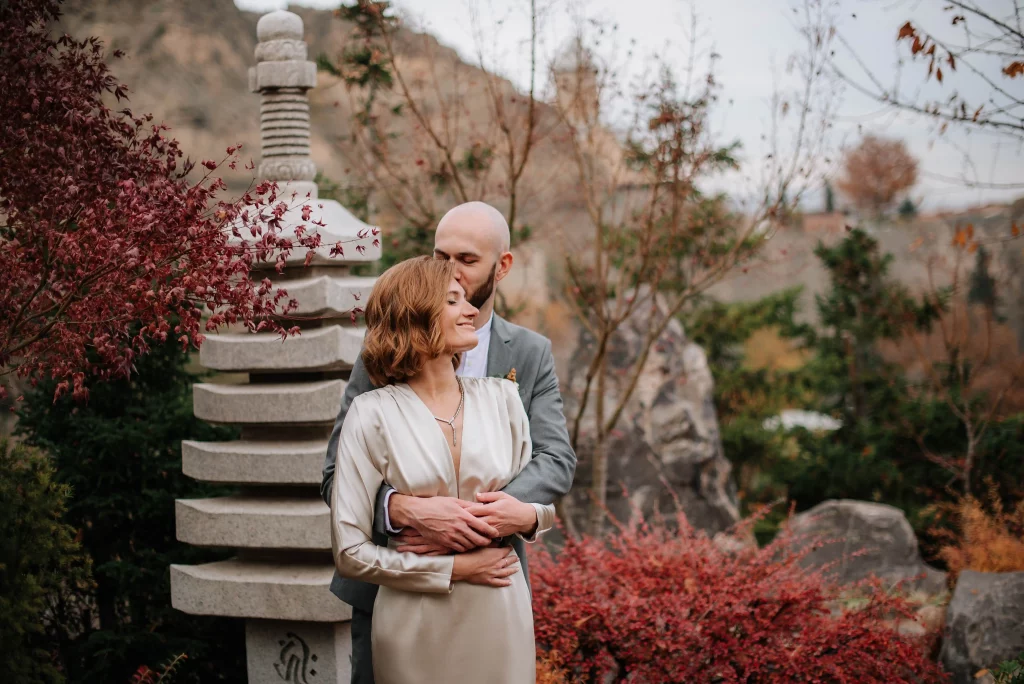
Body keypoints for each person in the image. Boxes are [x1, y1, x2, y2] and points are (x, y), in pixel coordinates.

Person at [321, 201, 577, 684]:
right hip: (395, 587)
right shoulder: (383, 355)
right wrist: (407, 511)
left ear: (502, 266)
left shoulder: (526, 357)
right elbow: (337, 475)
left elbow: (554, 459)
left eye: (466, 259)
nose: (449, 270)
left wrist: (501, 514)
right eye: (441, 256)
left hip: (492, 576)